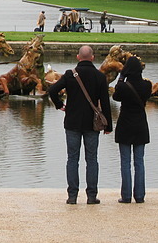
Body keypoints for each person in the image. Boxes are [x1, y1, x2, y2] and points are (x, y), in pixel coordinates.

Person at [48, 45, 113, 205]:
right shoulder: (99, 76)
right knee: (92, 159)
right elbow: (105, 103)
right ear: (92, 57)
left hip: (72, 122)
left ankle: (72, 196)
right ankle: (91, 196)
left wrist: (60, 105)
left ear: (78, 57)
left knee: (72, 159)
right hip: (92, 123)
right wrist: (108, 125)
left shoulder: (70, 74)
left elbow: (52, 90)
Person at [112, 56, 151, 204]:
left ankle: (126, 195)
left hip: (125, 125)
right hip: (141, 125)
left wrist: (121, 79)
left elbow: (115, 97)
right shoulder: (146, 85)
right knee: (139, 162)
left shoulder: (123, 86)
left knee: (125, 162)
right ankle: (140, 195)